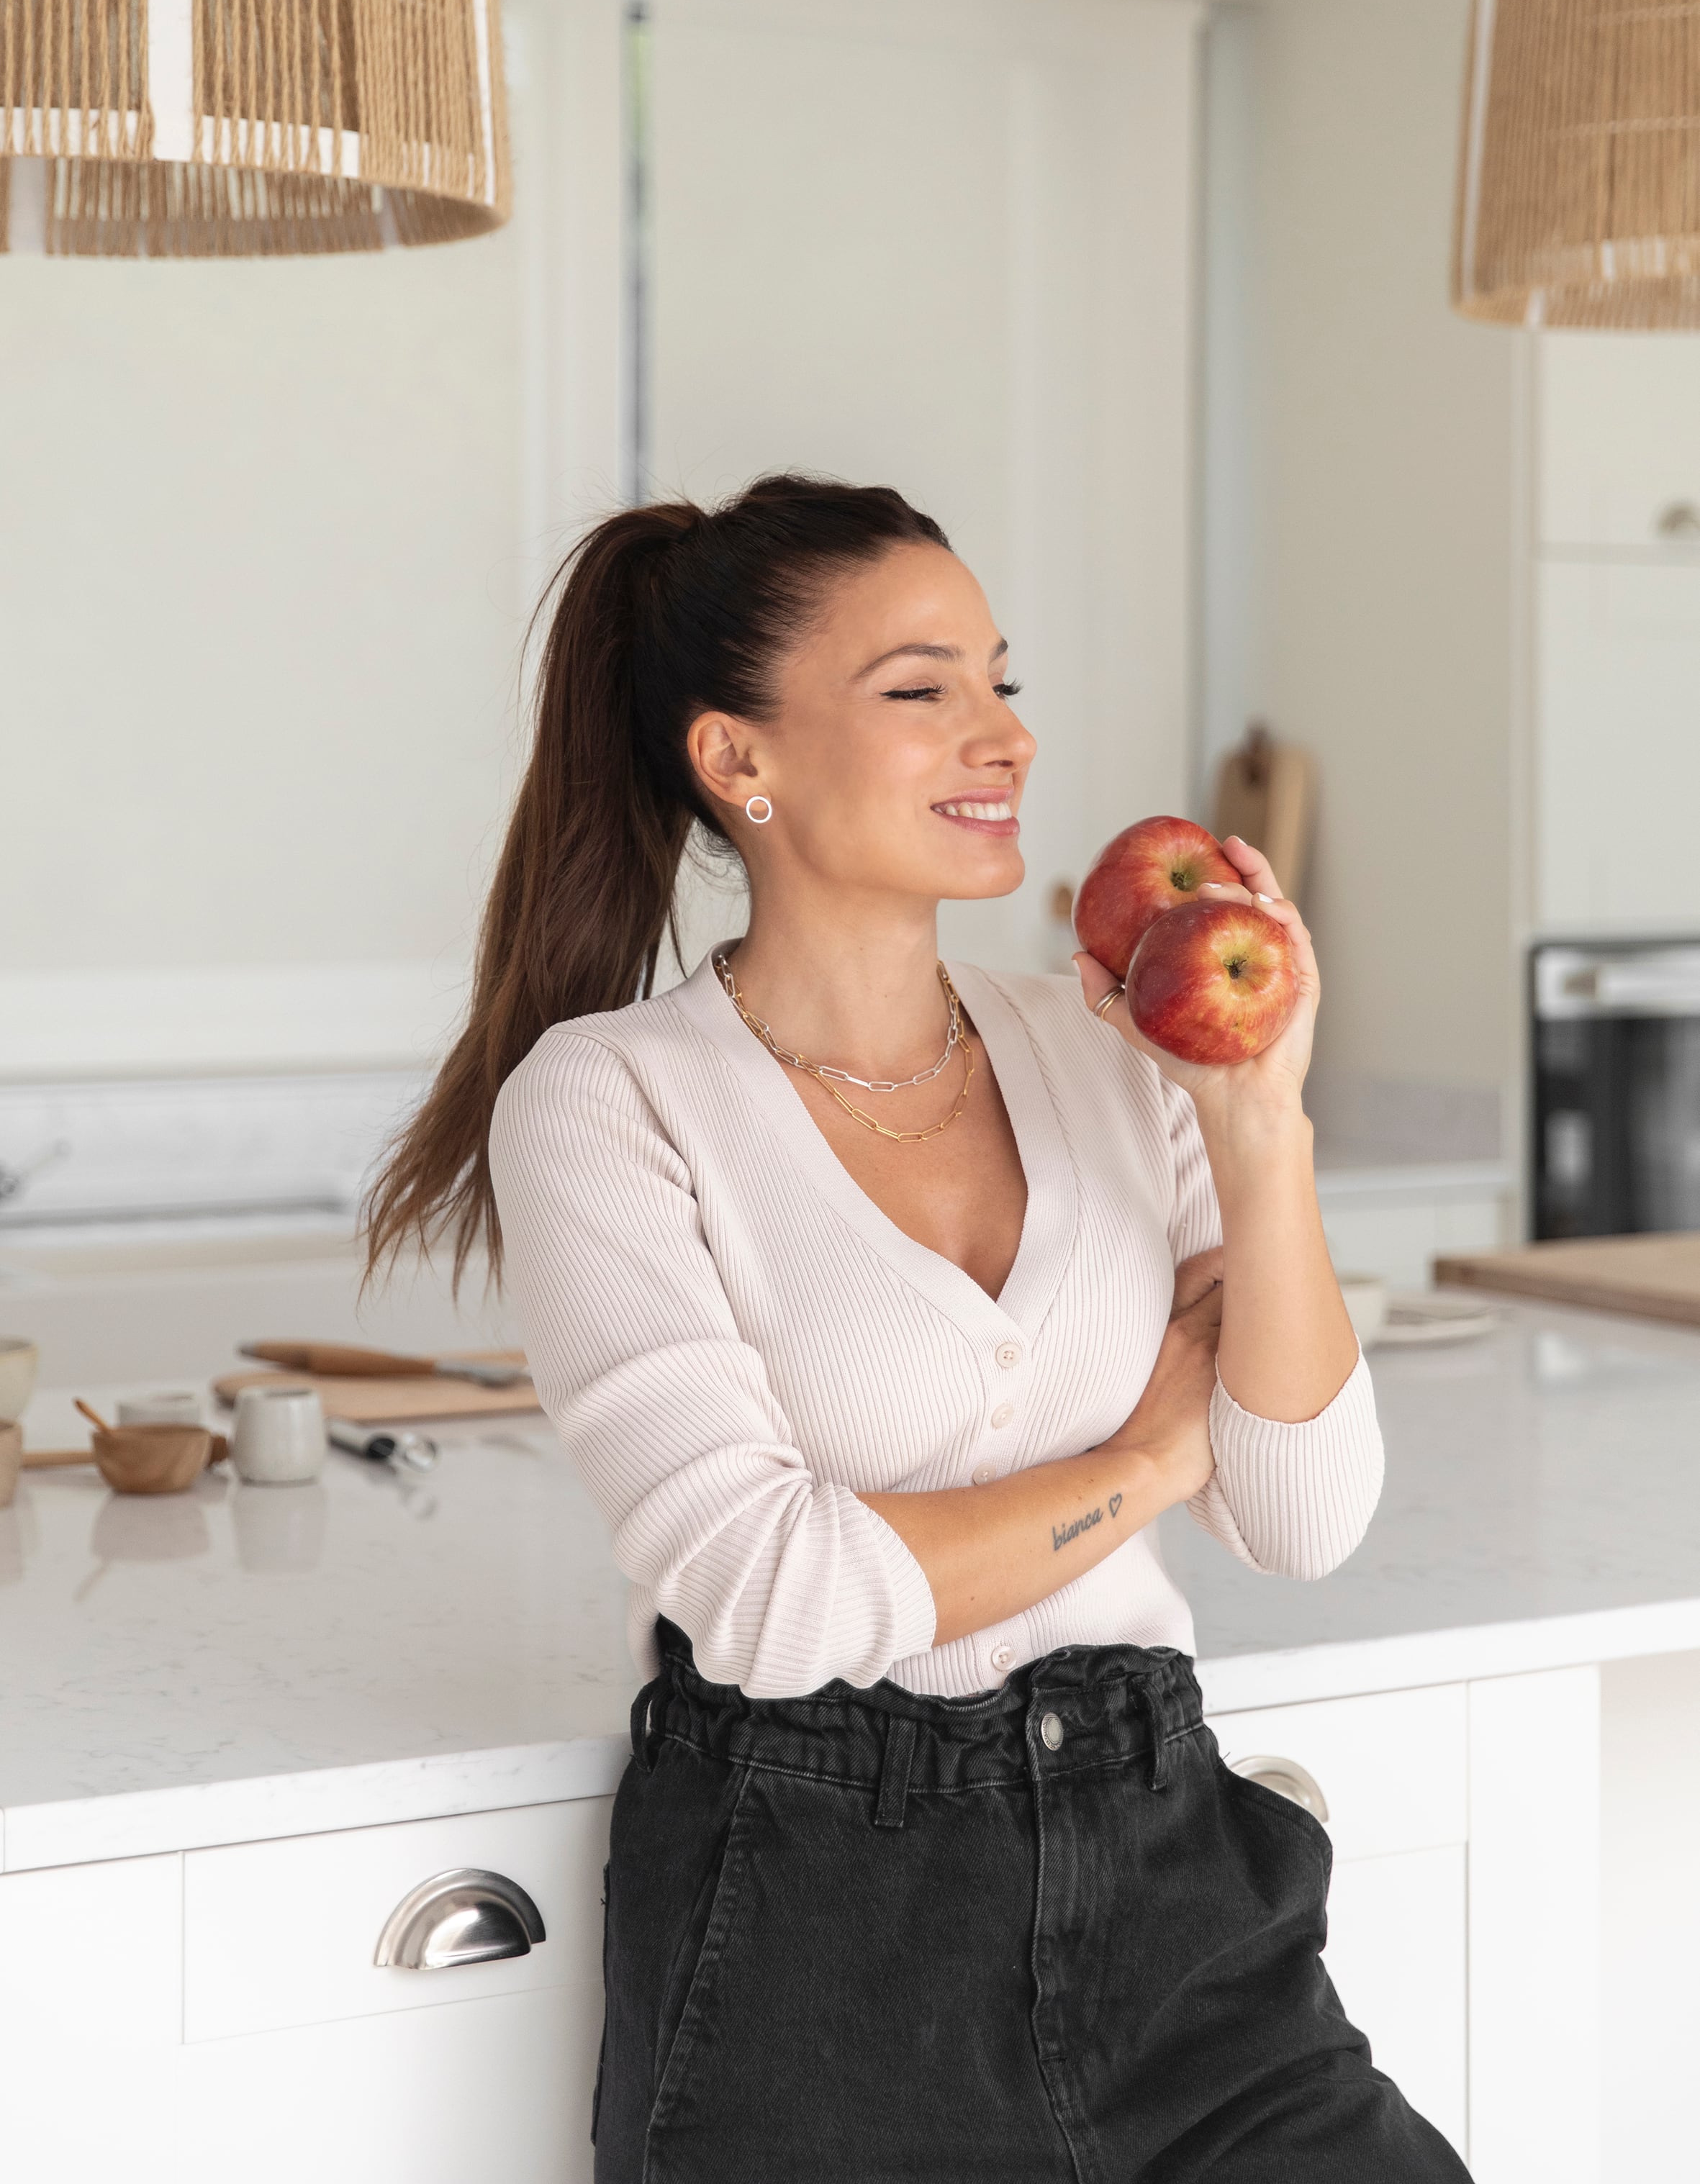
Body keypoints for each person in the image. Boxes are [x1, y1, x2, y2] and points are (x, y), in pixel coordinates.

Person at [366, 473, 1469, 2183]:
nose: (1002, 734)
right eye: (920, 688)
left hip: (1169, 1894)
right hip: (816, 1938)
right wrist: (1145, 1455)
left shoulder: (1112, 1052)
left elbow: (1302, 1513)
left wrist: (1257, 1122)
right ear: (742, 763)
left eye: (1000, 678)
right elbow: (771, 1592)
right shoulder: (608, 1103)